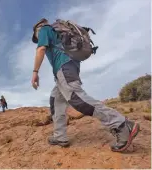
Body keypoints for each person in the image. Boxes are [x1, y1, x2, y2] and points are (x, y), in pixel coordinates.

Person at [31, 18, 140, 152]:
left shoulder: (44, 29)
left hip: (63, 68)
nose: (37, 38)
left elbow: (41, 49)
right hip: (69, 67)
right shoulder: (56, 33)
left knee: (77, 99)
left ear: (37, 29)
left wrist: (35, 72)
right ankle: (60, 136)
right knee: (56, 101)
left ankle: (122, 125)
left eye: (36, 37)